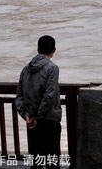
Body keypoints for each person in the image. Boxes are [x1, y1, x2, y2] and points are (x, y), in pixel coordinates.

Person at [15, 35, 61, 168]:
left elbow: (19, 95)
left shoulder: (26, 69)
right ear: (54, 50)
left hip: (31, 122)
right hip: (49, 120)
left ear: (37, 49)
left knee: (36, 161)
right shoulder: (52, 68)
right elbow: (49, 95)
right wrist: (38, 117)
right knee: (52, 161)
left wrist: (27, 116)